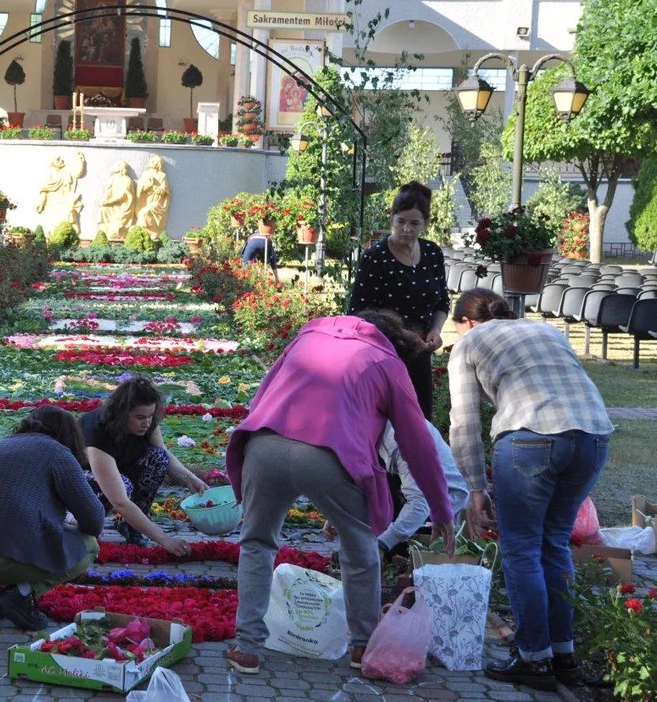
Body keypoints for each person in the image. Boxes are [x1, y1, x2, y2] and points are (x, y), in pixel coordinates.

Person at [223, 310, 457, 676]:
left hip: (264, 444)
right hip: (328, 455)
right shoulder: (386, 360)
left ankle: (247, 648)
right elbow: (417, 443)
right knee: (360, 548)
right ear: (393, 338)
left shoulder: (307, 336)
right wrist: (441, 509)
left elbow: (263, 394)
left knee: (256, 543)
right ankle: (362, 646)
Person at [448, 289, 613, 691]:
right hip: (593, 434)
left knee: (521, 547)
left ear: (467, 322)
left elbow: (464, 421)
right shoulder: (546, 330)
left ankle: (533, 658)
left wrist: (473, 488)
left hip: (530, 437)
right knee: (554, 545)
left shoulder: (469, 343)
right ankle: (563, 655)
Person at [0, 406, 105, 631]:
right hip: (4, 560)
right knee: (89, 545)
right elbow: (95, 521)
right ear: (71, 435)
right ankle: (20, 594)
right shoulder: (58, 453)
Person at [349, 181, 450, 419]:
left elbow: (442, 300)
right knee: (384, 424)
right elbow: (358, 313)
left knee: (420, 422)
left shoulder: (432, 253)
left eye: (414, 223)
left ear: (425, 223)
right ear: (391, 219)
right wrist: (402, 336)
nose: (406, 229)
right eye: (401, 221)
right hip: (383, 354)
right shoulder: (376, 257)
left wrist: (435, 330)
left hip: (420, 354)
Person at [80, 376, 208, 554]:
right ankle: (84, 528)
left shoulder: (147, 422)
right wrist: (165, 539)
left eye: (150, 416)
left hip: (122, 473)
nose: (146, 423)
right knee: (123, 485)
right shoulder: (98, 430)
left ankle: (132, 526)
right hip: (81, 481)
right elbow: (120, 501)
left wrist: (189, 479)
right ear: (122, 414)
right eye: (140, 417)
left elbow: (164, 455)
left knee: (158, 458)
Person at [323, 420, 469, 554]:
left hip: (446, 504)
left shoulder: (400, 441)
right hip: (428, 503)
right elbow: (361, 474)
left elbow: (419, 503)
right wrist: (339, 511)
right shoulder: (370, 427)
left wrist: (381, 545)